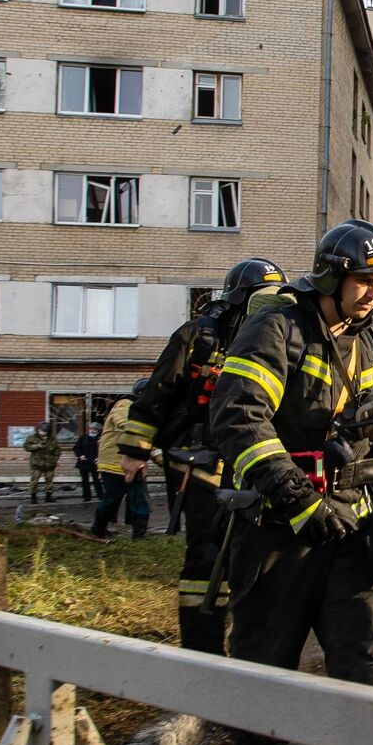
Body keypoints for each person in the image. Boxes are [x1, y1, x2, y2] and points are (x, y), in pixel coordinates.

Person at [209, 220, 373, 745]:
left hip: (349, 518)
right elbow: (239, 417)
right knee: (268, 644)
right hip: (279, 525)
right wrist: (298, 499)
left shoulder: (369, 340)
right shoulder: (277, 326)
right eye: (365, 280)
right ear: (332, 274)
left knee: (367, 646)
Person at [116, 258, 285, 656]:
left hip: (250, 458)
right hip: (200, 459)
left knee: (252, 548)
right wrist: (134, 450)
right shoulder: (199, 337)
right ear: (241, 299)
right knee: (208, 551)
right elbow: (158, 392)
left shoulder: (271, 338)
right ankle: (202, 646)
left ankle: (247, 638)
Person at [92, 381, 152, 540]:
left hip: (135, 463)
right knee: (112, 500)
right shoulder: (123, 407)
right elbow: (131, 428)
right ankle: (98, 528)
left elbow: (145, 438)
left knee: (140, 500)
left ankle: (139, 536)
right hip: (113, 464)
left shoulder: (142, 411)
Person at [24, 421, 62, 503]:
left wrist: (54, 460)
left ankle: (48, 496)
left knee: (49, 481)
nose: (42, 433)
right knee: (34, 481)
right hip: (37, 464)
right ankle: (33, 497)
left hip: (49, 464)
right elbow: (26, 447)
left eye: (44, 431)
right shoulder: (32, 437)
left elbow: (58, 450)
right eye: (40, 431)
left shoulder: (52, 439)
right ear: (38, 430)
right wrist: (36, 446)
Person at [74, 423, 101, 501]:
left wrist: (100, 458)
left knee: (97, 480)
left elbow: (105, 450)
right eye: (91, 429)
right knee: (85, 480)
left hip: (95, 462)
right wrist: (80, 455)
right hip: (83, 462)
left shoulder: (100, 439)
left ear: (98, 431)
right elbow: (76, 448)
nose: (92, 431)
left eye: (95, 429)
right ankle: (86, 496)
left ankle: (100, 495)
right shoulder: (83, 438)